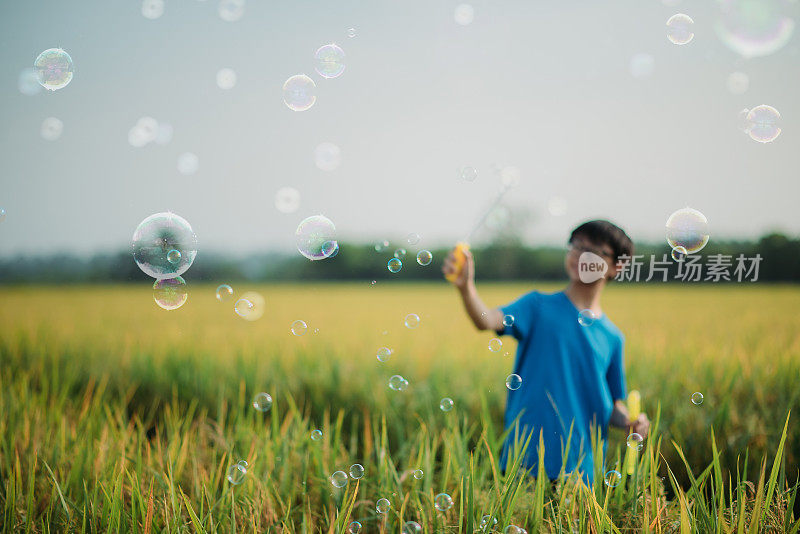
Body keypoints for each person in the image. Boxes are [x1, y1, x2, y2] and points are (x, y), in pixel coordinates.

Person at [442, 220, 650, 485]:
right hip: (524, 460)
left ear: (616, 266)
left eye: (594, 251)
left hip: (580, 471)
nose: (579, 255)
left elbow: (609, 406)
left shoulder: (612, 337)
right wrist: (465, 288)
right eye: (575, 246)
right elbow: (487, 320)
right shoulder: (537, 306)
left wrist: (630, 423)